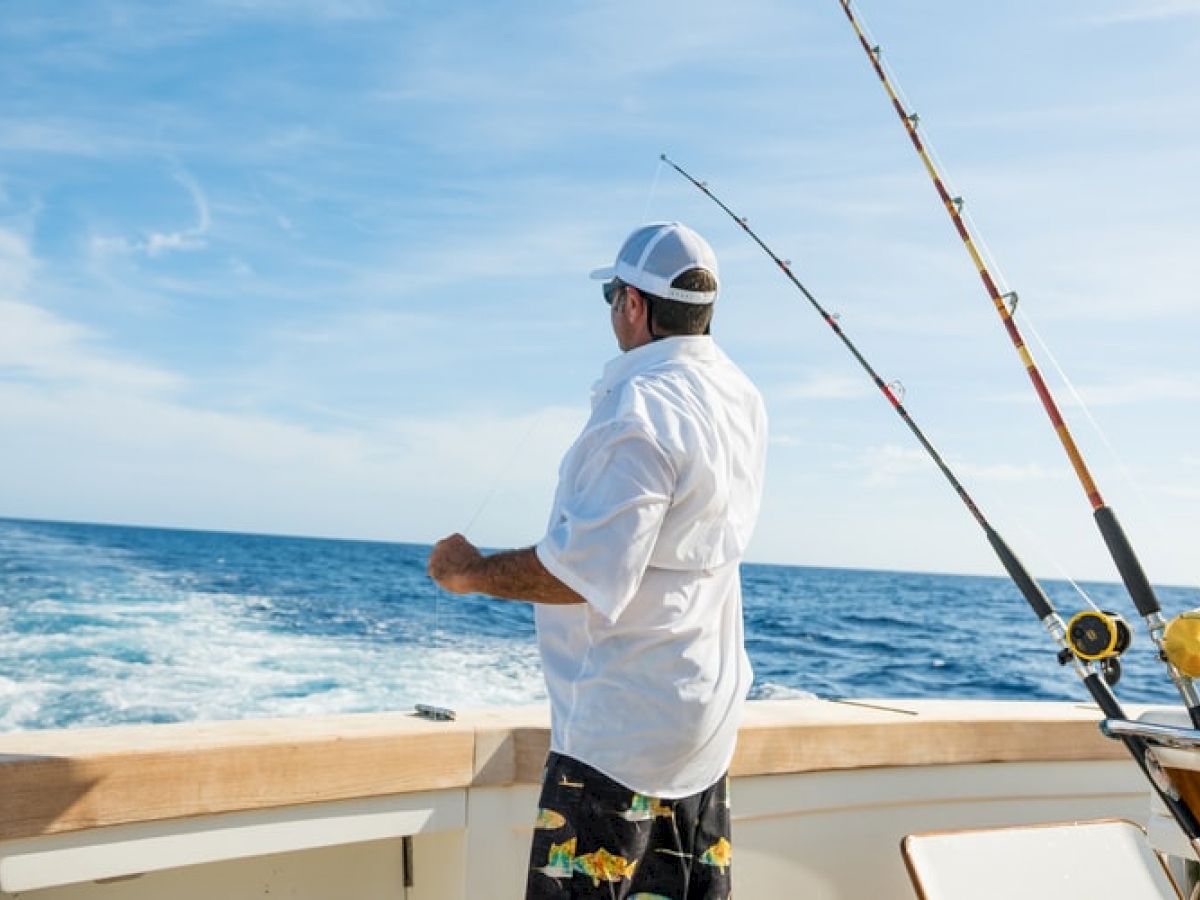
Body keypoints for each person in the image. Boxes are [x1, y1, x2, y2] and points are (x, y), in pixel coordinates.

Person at [428, 221, 768, 899]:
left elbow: (581, 573)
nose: (613, 306)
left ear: (635, 306)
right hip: (703, 734)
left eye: (614, 293)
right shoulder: (742, 400)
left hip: (618, 745)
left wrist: (468, 572)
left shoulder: (639, 412)